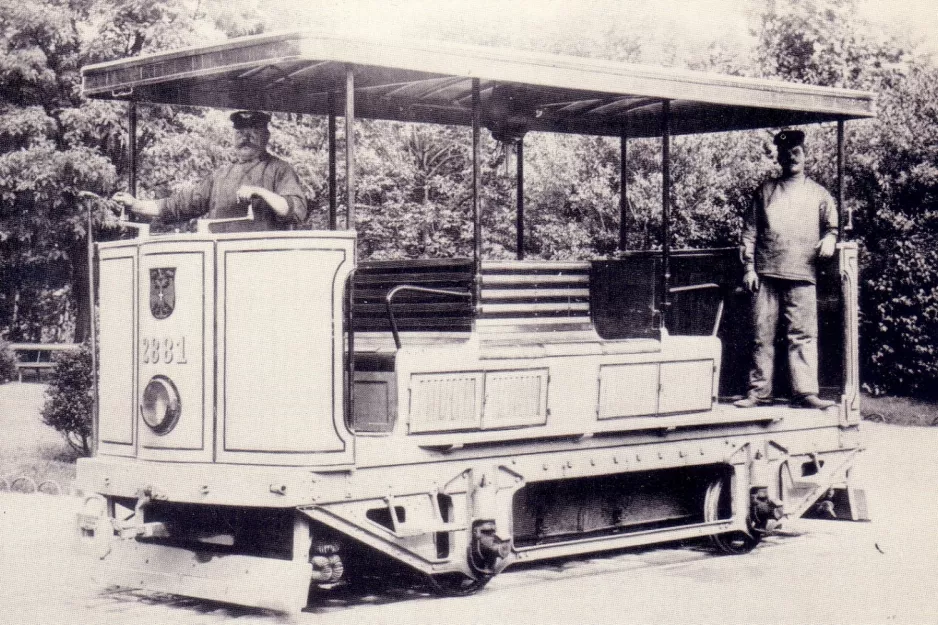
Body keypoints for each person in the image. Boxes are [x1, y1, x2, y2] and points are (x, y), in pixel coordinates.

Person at [734, 129, 837, 410]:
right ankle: (758, 393)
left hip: (803, 274)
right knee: (761, 335)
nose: (791, 157)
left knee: (802, 336)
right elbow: (749, 233)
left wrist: (830, 238)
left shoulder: (819, 194)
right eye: (786, 153)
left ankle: (805, 393)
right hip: (765, 274)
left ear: (805, 155)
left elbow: (832, 227)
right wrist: (749, 269)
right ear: (778, 157)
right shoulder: (765, 191)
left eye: (796, 152)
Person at [113, 111, 307, 232]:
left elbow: (296, 210)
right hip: (220, 261)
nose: (245, 139)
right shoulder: (220, 176)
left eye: (252, 133)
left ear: (266, 136)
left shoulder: (280, 169)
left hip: (261, 263)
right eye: (240, 133)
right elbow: (179, 205)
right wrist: (135, 204)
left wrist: (261, 192)